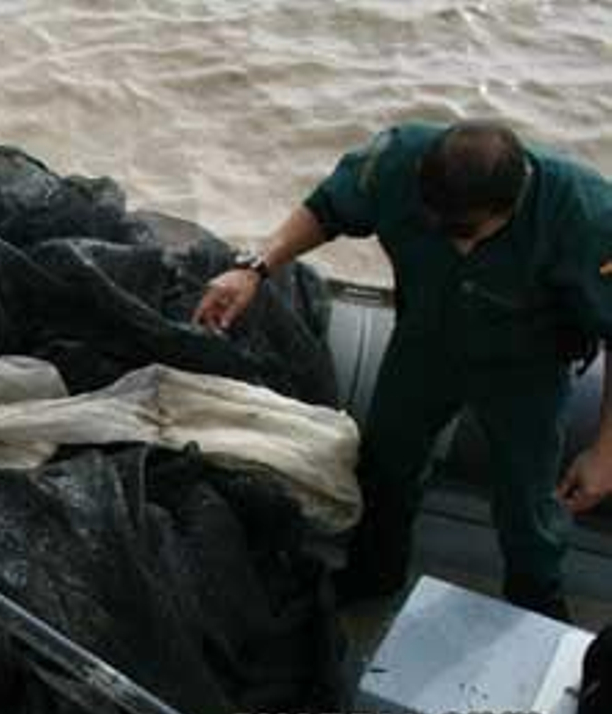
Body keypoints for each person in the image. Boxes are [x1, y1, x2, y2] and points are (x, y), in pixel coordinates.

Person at [195, 121, 612, 620]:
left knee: (528, 501)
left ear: (515, 204)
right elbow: (326, 208)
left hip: (527, 369)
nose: (458, 247)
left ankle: (536, 603)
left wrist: (607, 451)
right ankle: (374, 574)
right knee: (386, 464)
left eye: (469, 232)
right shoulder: (397, 161)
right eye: (443, 228)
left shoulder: (586, 215)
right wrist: (254, 268)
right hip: (425, 344)